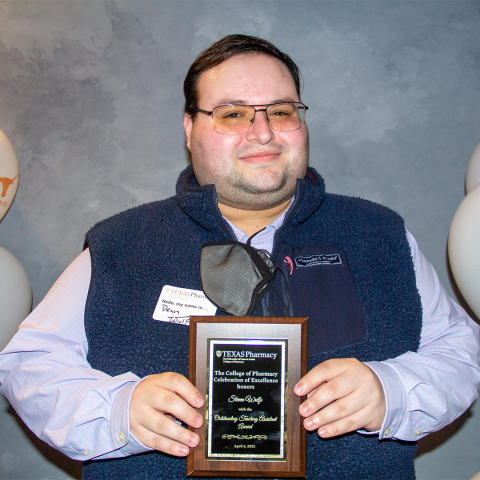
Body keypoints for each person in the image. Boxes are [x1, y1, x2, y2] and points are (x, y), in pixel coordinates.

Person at [0, 34, 479, 480]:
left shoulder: (382, 236)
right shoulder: (118, 246)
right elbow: (28, 365)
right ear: (191, 129)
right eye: (232, 114)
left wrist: (391, 389)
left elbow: (462, 351)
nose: (263, 132)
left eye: (282, 111)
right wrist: (118, 409)